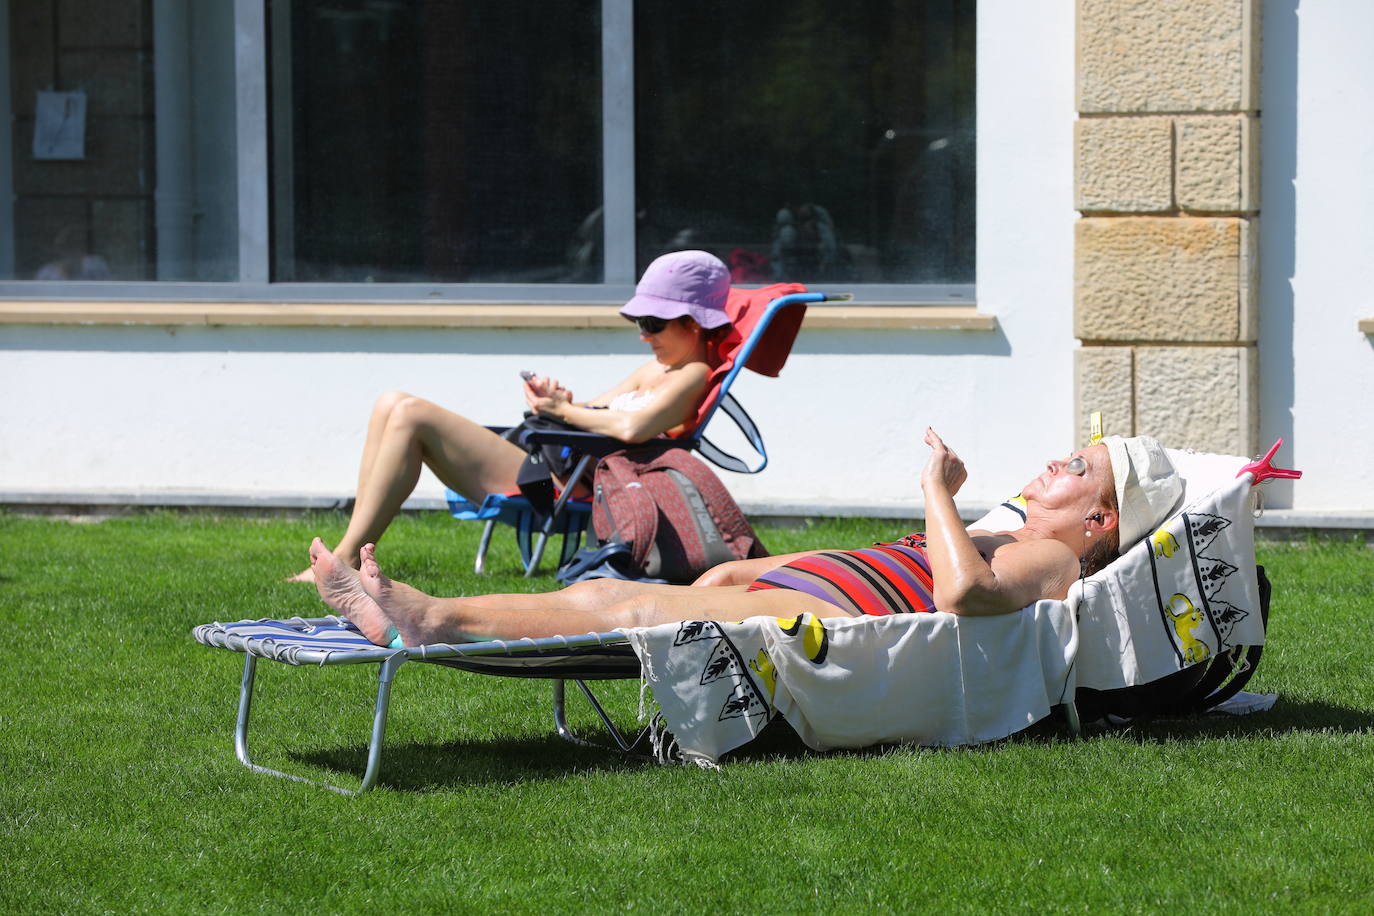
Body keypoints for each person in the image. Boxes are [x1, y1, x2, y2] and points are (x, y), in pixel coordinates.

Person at [306, 430, 1184, 647]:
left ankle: (428, 620)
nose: (1053, 463)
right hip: (817, 584)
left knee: (617, 604)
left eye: (1077, 468)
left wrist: (934, 494)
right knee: (651, 596)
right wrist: (748, 566)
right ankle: (423, 615)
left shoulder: (1058, 555)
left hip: (835, 615)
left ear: (1101, 521)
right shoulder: (1011, 529)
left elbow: (960, 595)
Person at [287, 250, 735, 583]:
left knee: (408, 414)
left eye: (653, 324)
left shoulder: (692, 375)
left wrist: (566, 412)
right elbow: (592, 413)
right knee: (391, 403)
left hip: (562, 488)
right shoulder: (654, 370)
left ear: (692, 323)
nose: (643, 336)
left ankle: (345, 559)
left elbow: (633, 428)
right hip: (552, 467)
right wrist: (557, 403)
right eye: (639, 324)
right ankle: (350, 548)